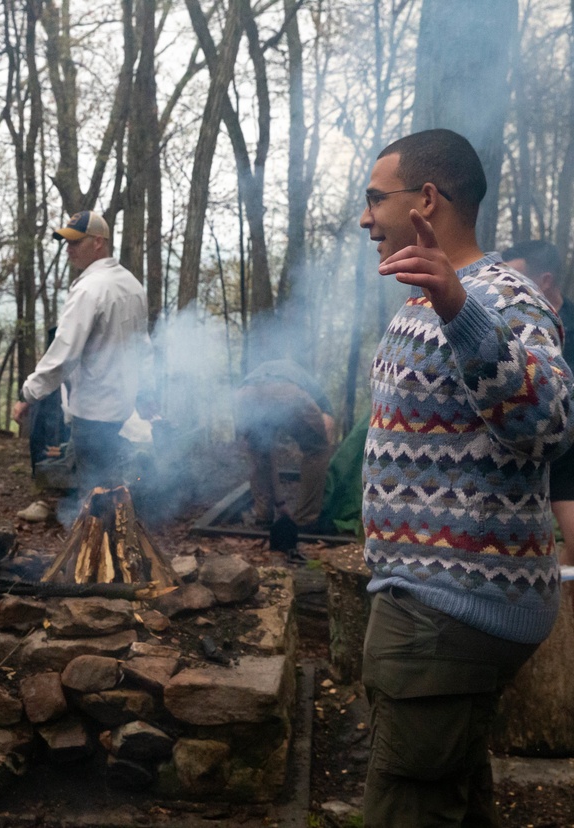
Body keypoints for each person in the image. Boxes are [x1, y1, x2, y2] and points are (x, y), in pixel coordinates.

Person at [358, 128, 574, 827]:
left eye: (374, 199)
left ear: (426, 198)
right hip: (431, 604)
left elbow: (549, 423)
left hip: (448, 610)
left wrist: (460, 306)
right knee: (452, 798)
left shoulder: (500, 295)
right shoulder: (426, 298)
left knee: (408, 807)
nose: (365, 218)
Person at [11, 210, 153, 505]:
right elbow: (144, 349)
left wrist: (29, 394)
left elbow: (64, 354)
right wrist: (144, 394)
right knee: (111, 485)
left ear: (98, 242)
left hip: (94, 411)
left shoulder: (90, 289)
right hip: (121, 408)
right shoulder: (132, 285)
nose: (69, 249)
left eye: (76, 242)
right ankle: (114, 541)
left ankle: (103, 545)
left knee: (96, 493)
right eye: (67, 242)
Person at [502, 240, 574, 566]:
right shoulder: (505, 327)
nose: (507, 289)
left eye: (516, 279)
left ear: (545, 282)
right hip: (515, 455)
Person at [233, 359, 337, 530]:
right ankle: (306, 520)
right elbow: (328, 420)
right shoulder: (303, 377)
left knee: (261, 452)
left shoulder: (263, 369)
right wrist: (327, 417)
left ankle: (263, 516)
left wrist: (280, 503)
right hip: (286, 392)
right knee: (317, 450)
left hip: (245, 394)